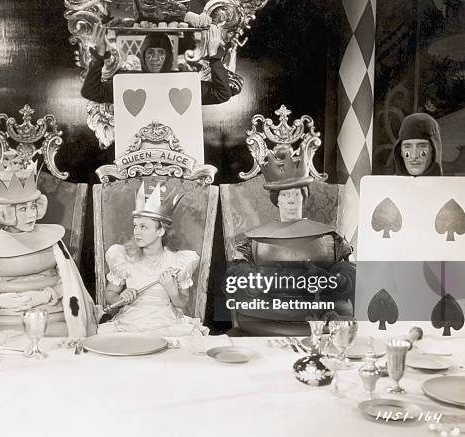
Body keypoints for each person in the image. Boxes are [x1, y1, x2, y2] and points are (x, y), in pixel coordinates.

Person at [231, 145, 356, 336]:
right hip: (266, 317)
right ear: (277, 200)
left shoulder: (331, 237)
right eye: (285, 195)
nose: (291, 200)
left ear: (303, 198)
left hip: (318, 314)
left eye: (296, 194)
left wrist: (334, 280)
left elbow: (349, 272)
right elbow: (237, 275)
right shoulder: (253, 241)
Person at [0, 167, 97, 337]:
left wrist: (46, 295)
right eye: (23, 209)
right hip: (0, 318)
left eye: (33, 206)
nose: (31, 214)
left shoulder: (53, 241)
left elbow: (71, 284)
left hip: (50, 316)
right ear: (5, 212)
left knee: (67, 334)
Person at [99, 182, 208, 336]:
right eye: (135, 226)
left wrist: (172, 291)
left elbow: (182, 303)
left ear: (161, 231)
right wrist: (121, 296)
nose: (137, 232)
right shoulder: (124, 257)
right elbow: (110, 294)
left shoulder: (178, 262)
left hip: (165, 321)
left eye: (144, 227)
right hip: (130, 321)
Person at [80, 24, 232, 105]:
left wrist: (214, 58)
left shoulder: (182, 83)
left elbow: (222, 94)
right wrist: (99, 57)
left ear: (168, 57)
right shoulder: (127, 82)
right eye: (150, 52)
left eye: (161, 53)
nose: (155, 58)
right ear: (143, 55)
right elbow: (90, 92)